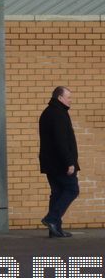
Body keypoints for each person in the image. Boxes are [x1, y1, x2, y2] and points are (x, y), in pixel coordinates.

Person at [39, 86, 79, 238]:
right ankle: (51, 219)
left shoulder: (48, 112)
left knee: (57, 193)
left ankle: (55, 229)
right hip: (60, 163)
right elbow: (61, 141)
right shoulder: (58, 114)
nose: (70, 100)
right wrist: (69, 162)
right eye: (68, 97)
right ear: (60, 98)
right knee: (72, 189)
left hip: (51, 163)